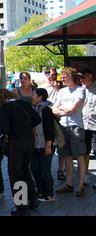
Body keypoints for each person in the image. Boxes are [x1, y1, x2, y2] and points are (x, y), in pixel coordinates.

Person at [0, 89, 41, 216]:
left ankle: (21, 206)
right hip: (29, 139)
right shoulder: (24, 103)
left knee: (15, 173)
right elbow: (37, 119)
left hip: (16, 141)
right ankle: (33, 199)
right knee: (25, 170)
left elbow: (5, 129)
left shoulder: (5, 109)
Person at [52, 67, 86, 197]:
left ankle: (81, 185)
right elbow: (53, 109)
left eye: (64, 77)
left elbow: (74, 108)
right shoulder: (61, 92)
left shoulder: (80, 90)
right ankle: (69, 183)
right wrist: (66, 110)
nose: (62, 80)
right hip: (63, 126)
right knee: (67, 156)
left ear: (72, 77)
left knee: (79, 155)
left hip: (76, 126)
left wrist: (63, 109)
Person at [40, 67, 65, 181]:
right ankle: (46, 170)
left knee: (61, 145)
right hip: (48, 119)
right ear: (47, 75)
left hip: (60, 118)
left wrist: (58, 89)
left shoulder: (61, 87)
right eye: (53, 74)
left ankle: (60, 169)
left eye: (56, 74)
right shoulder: (42, 88)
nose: (55, 77)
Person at [31, 88, 55, 202]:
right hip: (35, 145)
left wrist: (48, 146)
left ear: (40, 97)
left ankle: (49, 192)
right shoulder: (33, 109)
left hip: (46, 145)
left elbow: (50, 129)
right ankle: (40, 191)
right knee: (36, 169)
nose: (32, 96)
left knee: (45, 170)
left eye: (34, 94)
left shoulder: (46, 110)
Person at [80, 67, 96, 189]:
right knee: (85, 151)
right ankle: (85, 175)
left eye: (83, 77)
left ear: (90, 76)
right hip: (85, 125)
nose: (81, 79)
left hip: (95, 125)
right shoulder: (82, 90)